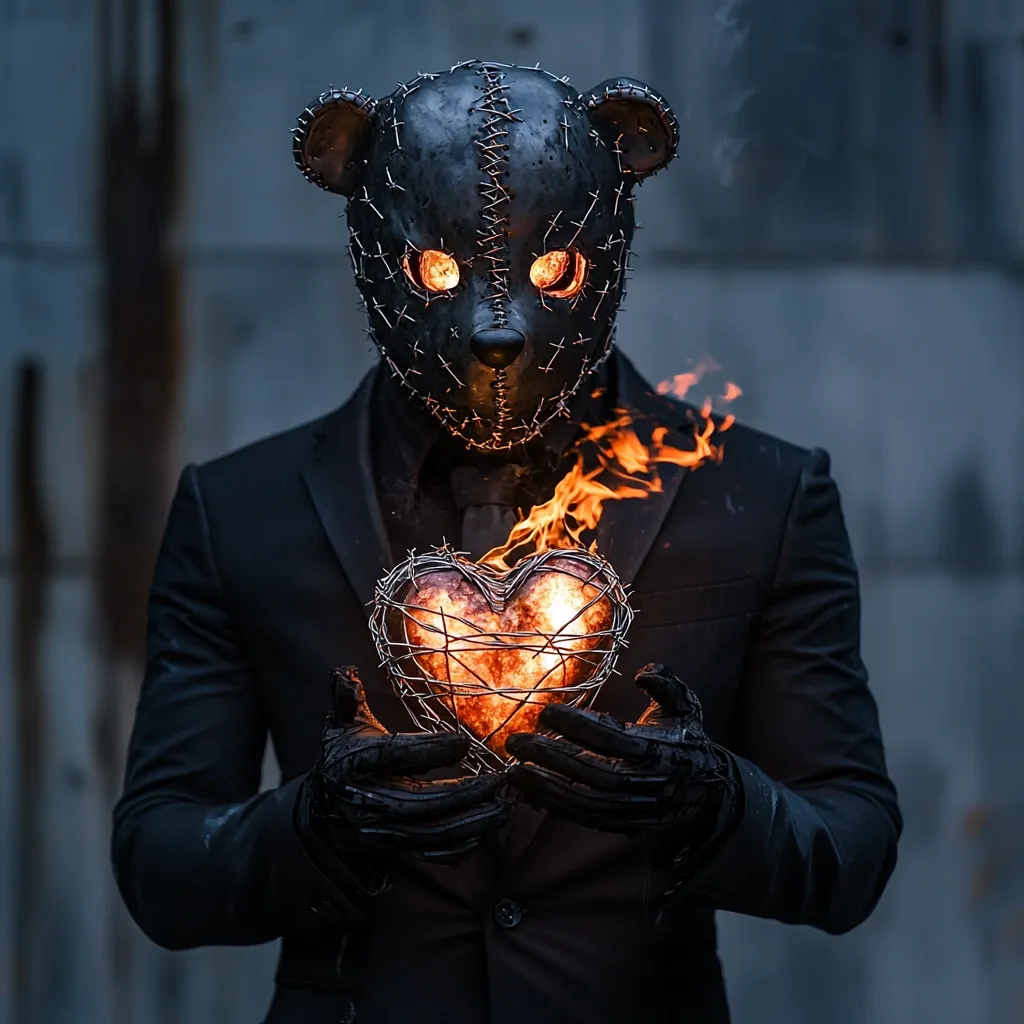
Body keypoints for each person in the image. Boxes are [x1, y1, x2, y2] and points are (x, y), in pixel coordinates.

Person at [112, 61, 901, 1024]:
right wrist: (313, 828)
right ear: (369, 246)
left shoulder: (762, 496)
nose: (496, 329)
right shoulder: (241, 509)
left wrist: (722, 806)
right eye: (437, 271)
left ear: (609, 246)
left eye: (552, 270)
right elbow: (161, 863)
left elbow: (852, 848)